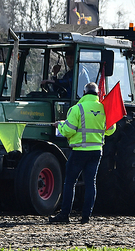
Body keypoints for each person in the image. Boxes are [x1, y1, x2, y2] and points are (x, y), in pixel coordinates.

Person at [49, 82, 116, 224]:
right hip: (96, 151)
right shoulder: (104, 108)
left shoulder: (77, 108)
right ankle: (86, 216)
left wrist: (59, 125)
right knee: (90, 183)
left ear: (84, 93)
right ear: (97, 94)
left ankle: (65, 215)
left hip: (79, 151)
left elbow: (69, 130)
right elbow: (111, 130)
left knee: (70, 182)